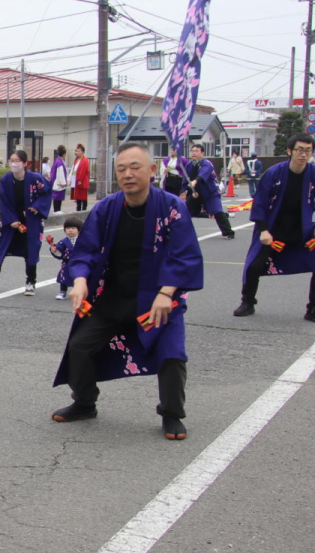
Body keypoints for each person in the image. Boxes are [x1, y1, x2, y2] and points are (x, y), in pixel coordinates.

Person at [51, 142, 203, 441]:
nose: (128, 174)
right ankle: (85, 402)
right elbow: (86, 251)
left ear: (152, 170)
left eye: (135, 167)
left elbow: (184, 255)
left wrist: (166, 293)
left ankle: (171, 414)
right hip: (114, 298)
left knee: (172, 355)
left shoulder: (173, 207)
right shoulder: (107, 207)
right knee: (80, 346)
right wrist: (79, 280)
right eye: (121, 169)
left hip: (157, 301)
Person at [233, 134, 315, 324]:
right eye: (299, 150)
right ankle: (247, 302)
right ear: (290, 151)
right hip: (273, 231)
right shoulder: (274, 173)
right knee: (254, 266)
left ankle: (314, 308)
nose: (303, 155)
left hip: (303, 230)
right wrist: (263, 229)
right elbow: (261, 202)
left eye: (308, 150)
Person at [0, 149, 51, 295]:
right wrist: (11, 220)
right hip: (11, 220)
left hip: (30, 219)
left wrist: (37, 207)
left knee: (31, 250)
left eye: (17, 161)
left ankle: (31, 282)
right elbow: (3, 201)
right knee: (0, 249)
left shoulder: (35, 179)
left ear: (25, 163)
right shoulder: (5, 180)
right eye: (11, 160)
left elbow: (47, 192)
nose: (14, 164)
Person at [183, 144, 235, 239]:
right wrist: (185, 190)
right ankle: (182, 232)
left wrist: (195, 181)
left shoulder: (207, 164)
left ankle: (228, 232)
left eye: (196, 151)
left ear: (202, 153)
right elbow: (185, 180)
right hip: (195, 193)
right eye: (193, 151)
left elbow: (203, 174)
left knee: (217, 211)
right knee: (185, 212)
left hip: (209, 192)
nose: (194, 153)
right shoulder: (189, 165)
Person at [46, 214, 83, 300]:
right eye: (68, 228)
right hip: (67, 263)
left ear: (79, 230)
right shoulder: (63, 242)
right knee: (64, 277)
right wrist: (54, 249)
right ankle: (63, 292)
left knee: (79, 278)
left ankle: (78, 292)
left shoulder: (82, 241)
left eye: (73, 228)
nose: (70, 230)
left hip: (79, 262)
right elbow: (59, 251)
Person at [48, 144, 69, 213]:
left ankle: (57, 210)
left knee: (57, 198)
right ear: (64, 153)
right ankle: (57, 211)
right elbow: (60, 174)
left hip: (56, 183)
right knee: (58, 199)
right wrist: (63, 183)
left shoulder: (57, 160)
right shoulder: (60, 162)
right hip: (58, 184)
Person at [71, 143, 90, 211]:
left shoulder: (85, 160)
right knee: (78, 197)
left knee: (83, 197)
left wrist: (80, 180)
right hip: (77, 180)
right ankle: (78, 209)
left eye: (79, 151)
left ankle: (84, 209)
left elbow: (83, 171)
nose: (77, 153)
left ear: (82, 152)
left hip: (82, 181)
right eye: (77, 151)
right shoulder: (77, 160)